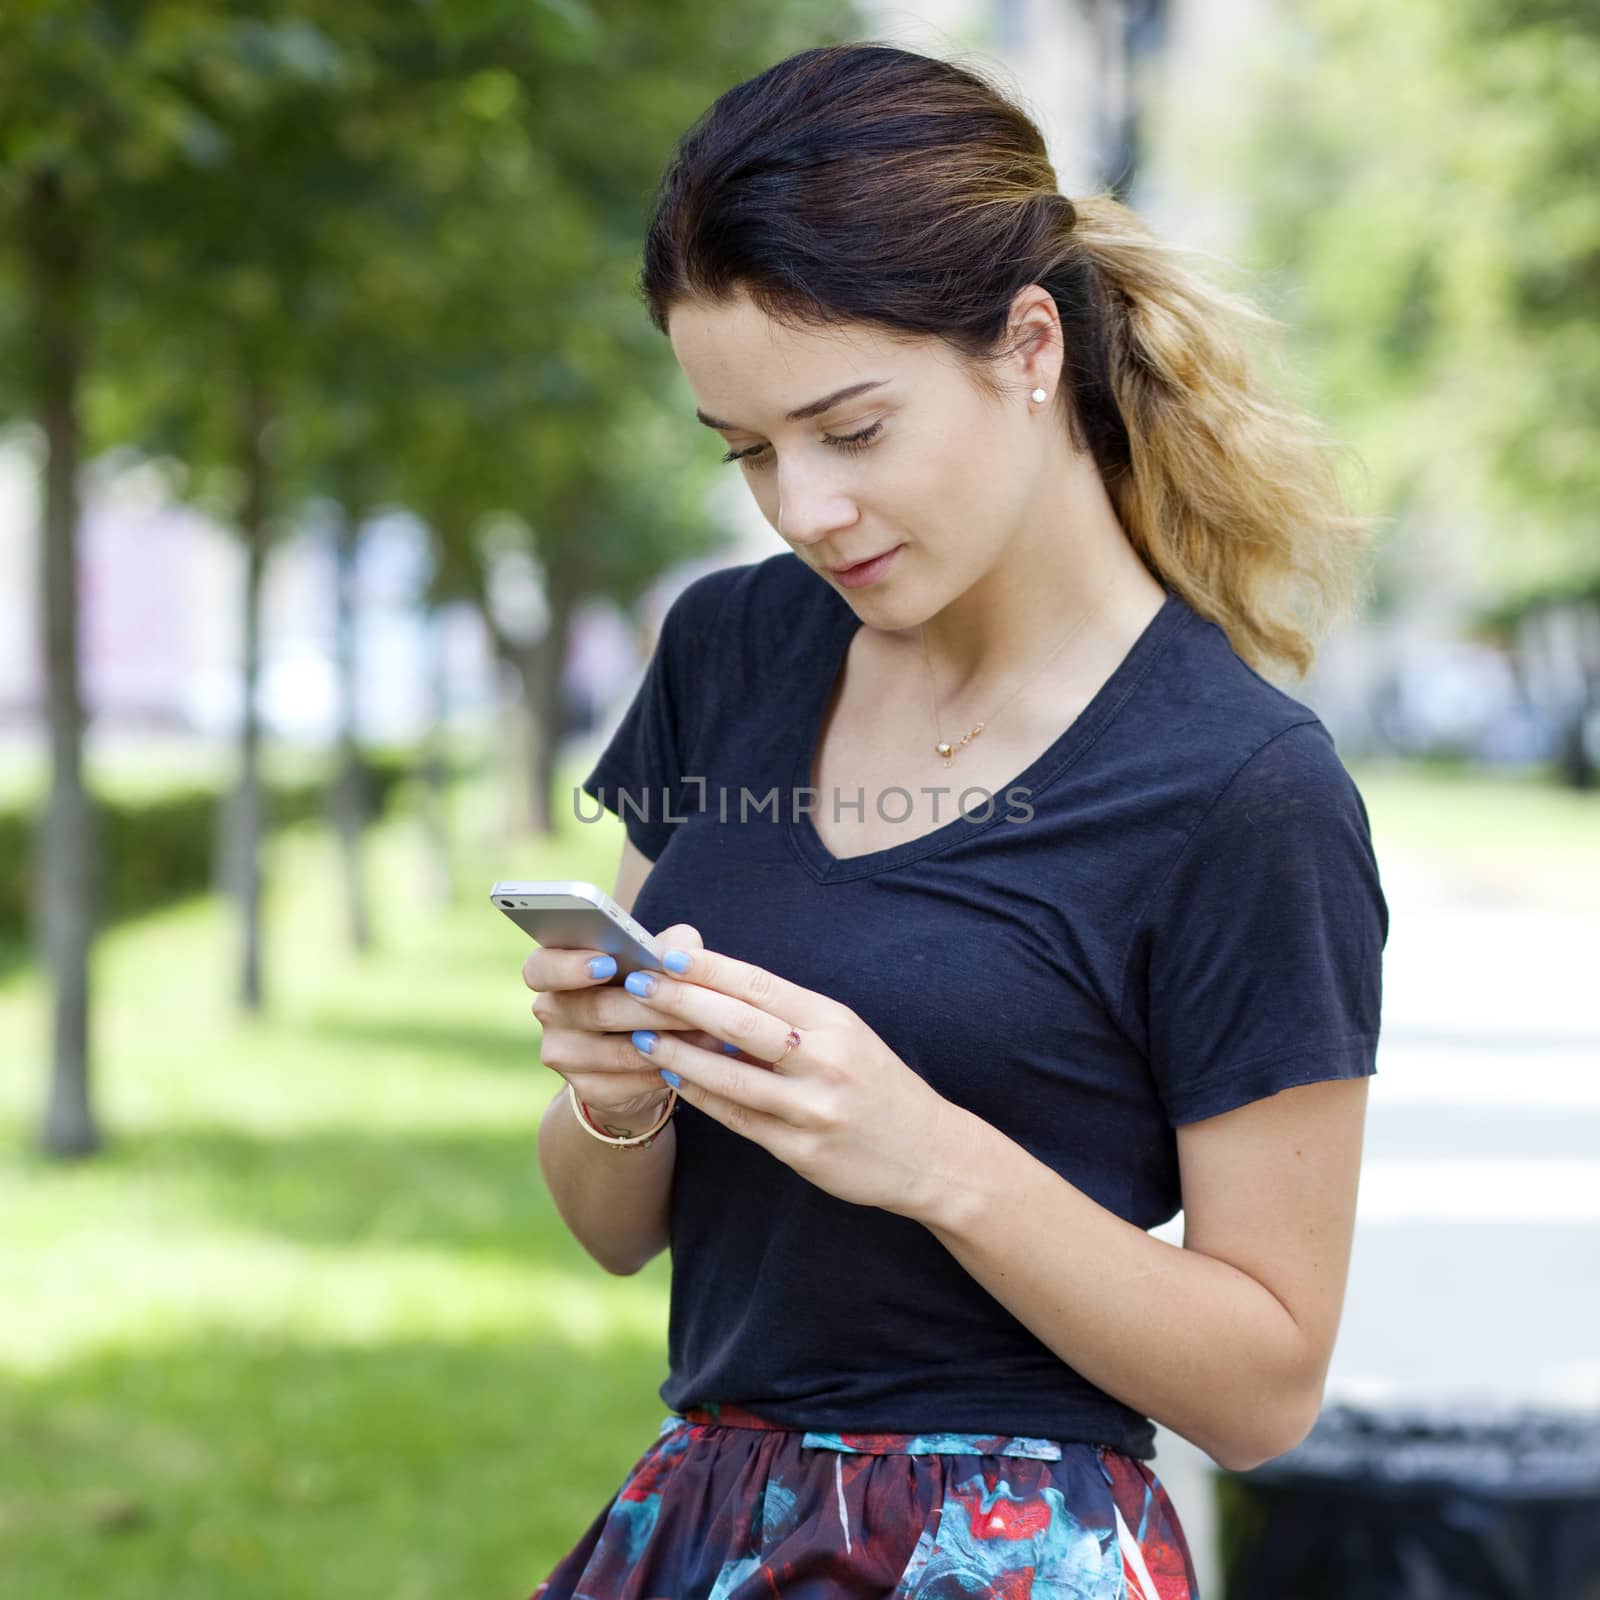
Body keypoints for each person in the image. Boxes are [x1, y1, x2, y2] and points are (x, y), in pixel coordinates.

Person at [527, 40, 1387, 1600]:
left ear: (1029, 345)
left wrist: (925, 1155)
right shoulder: (732, 653)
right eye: (750, 452)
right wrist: (615, 1093)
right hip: (704, 1526)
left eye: (850, 432)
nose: (802, 510)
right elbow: (614, 1233)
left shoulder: (1240, 791)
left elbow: (1264, 1389)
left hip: (1010, 1559)